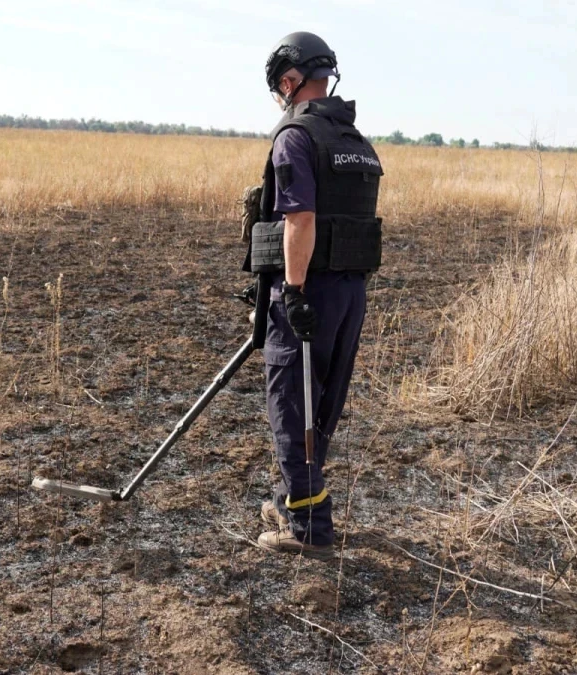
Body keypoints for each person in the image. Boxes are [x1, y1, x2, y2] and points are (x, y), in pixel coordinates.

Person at [243, 32, 384, 559]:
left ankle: (308, 527)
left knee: (290, 402)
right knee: (319, 403)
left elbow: (299, 220)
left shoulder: (294, 136)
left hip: (310, 291)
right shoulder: (354, 142)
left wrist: (294, 292)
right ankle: (294, 498)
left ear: (288, 81)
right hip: (351, 293)